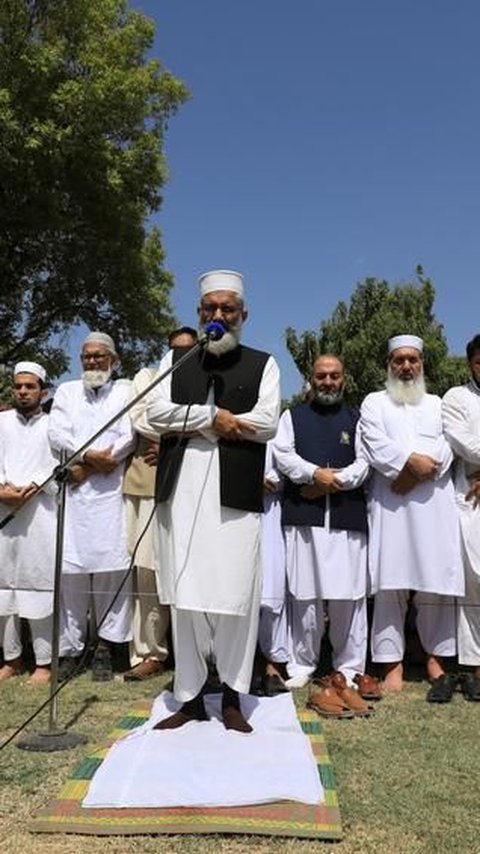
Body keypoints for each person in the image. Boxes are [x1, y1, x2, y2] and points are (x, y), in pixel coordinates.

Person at [146, 269, 280, 732]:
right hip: (181, 492)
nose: (218, 315)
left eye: (227, 309)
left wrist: (222, 424)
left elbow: (267, 424)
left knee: (234, 594)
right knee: (187, 596)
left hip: (234, 494)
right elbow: (154, 412)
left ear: (243, 314)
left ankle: (231, 697)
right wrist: (210, 418)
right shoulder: (177, 360)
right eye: (210, 309)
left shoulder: (263, 363)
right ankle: (188, 697)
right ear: (199, 313)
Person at [359, 334, 464, 701]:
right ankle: (391, 663)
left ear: (422, 364)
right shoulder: (374, 402)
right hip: (391, 504)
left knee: (434, 581)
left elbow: (448, 445)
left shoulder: (438, 403)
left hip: (432, 504)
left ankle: (436, 658)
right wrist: (405, 466)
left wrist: (415, 471)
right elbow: (373, 442)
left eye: (413, 360)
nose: (406, 366)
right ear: (389, 364)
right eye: (399, 360)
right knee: (390, 582)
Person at [273, 355, 372, 715]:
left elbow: (366, 462)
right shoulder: (292, 416)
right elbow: (283, 455)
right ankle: (302, 665)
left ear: (343, 379)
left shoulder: (358, 418)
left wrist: (335, 482)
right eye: (321, 376)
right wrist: (315, 474)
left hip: (346, 518)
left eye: (334, 376)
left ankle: (348, 667)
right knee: (305, 594)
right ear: (311, 380)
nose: (327, 382)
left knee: (349, 597)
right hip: (305, 519)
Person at [48, 331, 136, 680]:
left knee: (111, 572)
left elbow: (130, 433)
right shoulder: (68, 391)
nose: (93, 362)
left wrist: (105, 460)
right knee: (71, 575)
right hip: (75, 495)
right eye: (87, 356)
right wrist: (86, 457)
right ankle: (70, 650)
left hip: (112, 493)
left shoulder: (127, 390)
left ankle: (105, 647)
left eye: (100, 356)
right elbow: (56, 432)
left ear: (113, 360)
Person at [122, 326, 198, 682]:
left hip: (197, 486)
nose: (181, 354)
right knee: (149, 572)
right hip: (150, 484)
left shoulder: (208, 380)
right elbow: (142, 417)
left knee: (194, 572)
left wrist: (174, 440)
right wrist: (180, 435)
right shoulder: (147, 377)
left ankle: (196, 655)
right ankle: (151, 652)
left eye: (188, 349)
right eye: (174, 349)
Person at [0, 362, 57, 684]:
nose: (23, 391)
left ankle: (44, 663)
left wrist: (32, 486)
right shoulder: (1, 421)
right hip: (3, 512)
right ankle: (12, 658)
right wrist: (3, 490)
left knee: (38, 586)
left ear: (43, 392)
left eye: (30, 386)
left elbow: (55, 463)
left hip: (40, 516)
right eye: (18, 386)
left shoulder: (53, 424)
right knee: (2, 588)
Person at [442, 333, 480, 701]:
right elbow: (466, 444)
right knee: (474, 580)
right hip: (471, 498)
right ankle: (473, 665)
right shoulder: (456, 398)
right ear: (471, 363)